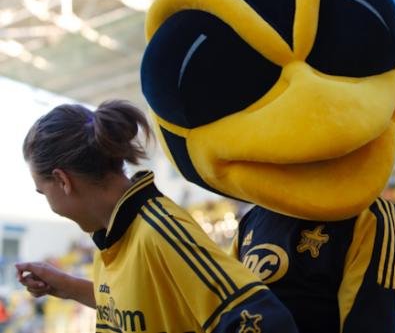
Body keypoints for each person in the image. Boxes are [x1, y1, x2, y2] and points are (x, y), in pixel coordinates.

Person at [16, 100, 298, 333]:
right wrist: (67, 287)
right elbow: (136, 306)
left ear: (62, 181)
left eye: (43, 191)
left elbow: (264, 321)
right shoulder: (111, 236)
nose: (48, 203)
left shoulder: (159, 231)